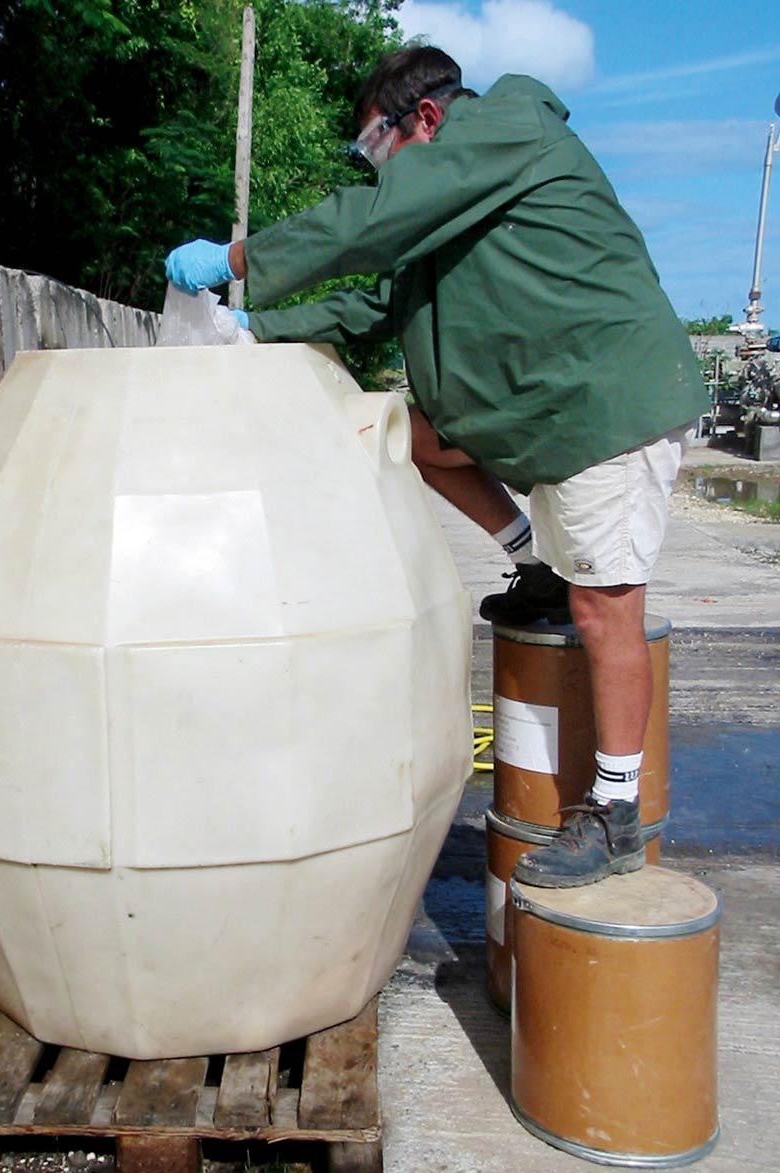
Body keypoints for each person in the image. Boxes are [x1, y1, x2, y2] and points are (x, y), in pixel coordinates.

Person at [165, 46, 706, 887]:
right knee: (412, 432)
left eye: (376, 148)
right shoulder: (459, 195)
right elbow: (375, 296)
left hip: (605, 405)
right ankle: (535, 563)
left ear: (426, 117)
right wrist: (251, 326)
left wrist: (238, 260)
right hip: (544, 414)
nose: (378, 171)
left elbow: (364, 223)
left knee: (608, 608)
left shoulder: (503, 133)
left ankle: (616, 812)